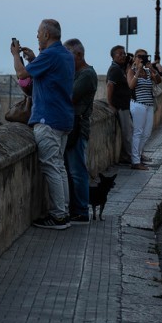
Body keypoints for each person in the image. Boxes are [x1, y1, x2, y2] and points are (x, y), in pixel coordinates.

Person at [11, 19, 75, 230]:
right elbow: (49, 75)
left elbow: (22, 74)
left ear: (47, 35)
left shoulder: (50, 55)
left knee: (50, 166)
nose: (37, 35)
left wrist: (15, 56)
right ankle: (64, 211)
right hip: (64, 118)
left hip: (48, 119)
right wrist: (33, 58)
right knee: (59, 166)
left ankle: (58, 216)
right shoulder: (65, 54)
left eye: (39, 32)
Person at [63, 38, 96, 225]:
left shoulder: (87, 75)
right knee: (70, 170)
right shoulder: (76, 73)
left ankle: (82, 210)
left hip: (79, 127)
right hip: (71, 126)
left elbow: (70, 97)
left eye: (69, 57)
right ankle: (75, 209)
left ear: (79, 55)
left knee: (77, 170)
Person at [128, 48, 161, 170]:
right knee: (138, 132)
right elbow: (131, 85)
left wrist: (152, 69)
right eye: (139, 56)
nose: (142, 58)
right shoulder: (131, 71)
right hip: (138, 105)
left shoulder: (148, 72)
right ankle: (135, 161)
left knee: (146, 133)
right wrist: (138, 71)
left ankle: (138, 155)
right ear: (135, 58)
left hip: (149, 105)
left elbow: (159, 81)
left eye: (144, 56)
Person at [106, 45, 133, 165]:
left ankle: (128, 155)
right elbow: (109, 86)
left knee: (129, 132)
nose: (123, 56)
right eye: (120, 54)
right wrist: (110, 104)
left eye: (124, 53)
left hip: (126, 105)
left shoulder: (121, 68)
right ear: (113, 56)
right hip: (121, 106)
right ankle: (130, 156)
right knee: (127, 133)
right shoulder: (114, 69)